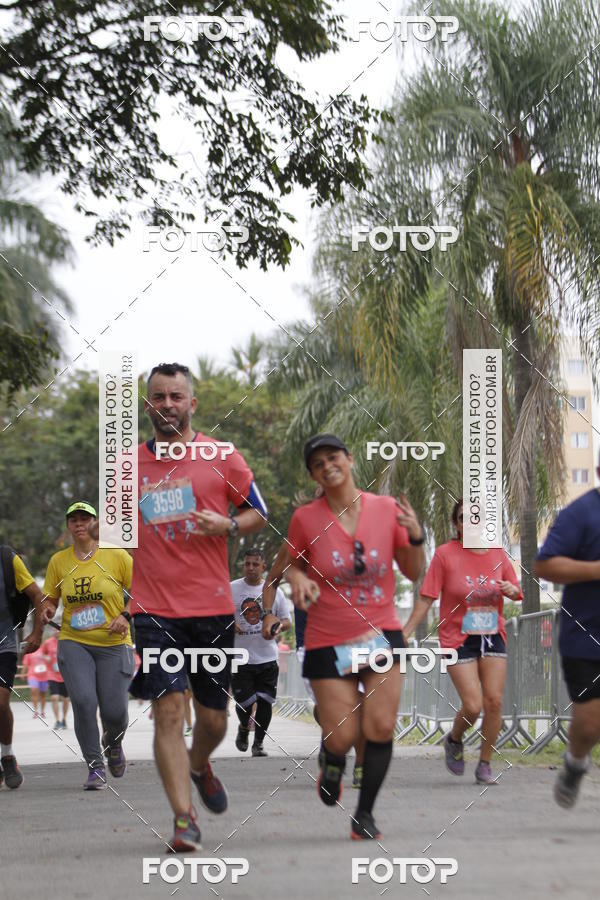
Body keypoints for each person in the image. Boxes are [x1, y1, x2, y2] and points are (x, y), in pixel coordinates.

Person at [128, 362, 267, 852]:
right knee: (167, 712)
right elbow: (116, 539)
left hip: (209, 609)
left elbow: (258, 512)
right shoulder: (125, 467)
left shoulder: (222, 456)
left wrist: (228, 526)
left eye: (176, 397)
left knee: (214, 721)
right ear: (148, 405)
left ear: (192, 404)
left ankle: (198, 762)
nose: (167, 405)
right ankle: (183, 819)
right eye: (159, 397)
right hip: (153, 611)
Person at [277, 433, 425, 841]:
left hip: (380, 633)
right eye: (317, 464)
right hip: (328, 638)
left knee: (380, 726)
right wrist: (299, 581)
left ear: (350, 459)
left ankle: (364, 815)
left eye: (333, 457)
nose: (327, 466)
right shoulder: (305, 518)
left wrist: (415, 537)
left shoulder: (386, 509)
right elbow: (292, 566)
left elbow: (413, 572)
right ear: (313, 475)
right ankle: (332, 757)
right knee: (343, 734)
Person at [404, 498, 522, 784]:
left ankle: (484, 763)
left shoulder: (497, 553)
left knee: (493, 701)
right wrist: (404, 632)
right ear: (456, 524)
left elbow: (517, 591)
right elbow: (427, 597)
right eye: (462, 518)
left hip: (492, 635)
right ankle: (455, 739)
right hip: (457, 637)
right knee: (473, 705)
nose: (470, 522)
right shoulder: (445, 555)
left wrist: (511, 589)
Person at [42, 501, 135, 790]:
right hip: (74, 640)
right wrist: (46, 608)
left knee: (115, 712)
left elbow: (145, 590)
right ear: (68, 526)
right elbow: (51, 598)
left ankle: (114, 742)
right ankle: (95, 767)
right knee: (83, 702)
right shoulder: (59, 561)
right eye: (74, 520)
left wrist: (125, 614)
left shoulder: (117, 555)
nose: (79, 524)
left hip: (114, 643)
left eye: (85, 518)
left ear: (95, 524)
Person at [263, 541, 366, 788]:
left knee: (359, 702)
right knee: (329, 708)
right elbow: (271, 582)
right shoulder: (295, 543)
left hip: (354, 635)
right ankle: (332, 735)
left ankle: (362, 765)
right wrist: (268, 613)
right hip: (313, 639)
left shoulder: (356, 535)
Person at [534, 454, 600, 808]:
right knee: (590, 725)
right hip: (585, 638)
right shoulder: (580, 514)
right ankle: (575, 762)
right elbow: (543, 564)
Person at [231, 547, 292, 757]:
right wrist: (229, 624)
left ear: (264, 567)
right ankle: (243, 728)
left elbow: (287, 621)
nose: (250, 568)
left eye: (255, 564)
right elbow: (217, 616)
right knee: (245, 704)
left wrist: (276, 626)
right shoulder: (231, 589)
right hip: (240, 658)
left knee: (265, 702)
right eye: (247, 563)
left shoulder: (275, 591)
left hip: (267, 656)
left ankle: (258, 743)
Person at [0, 543, 46, 789]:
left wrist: (37, 633)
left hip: (4, 641)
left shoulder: (7, 558)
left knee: (1, 702)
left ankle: (7, 755)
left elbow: (37, 595)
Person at [42, 632, 70, 729]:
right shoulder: (48, 642)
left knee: (66, 699)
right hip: (52, 674)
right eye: (55, 630)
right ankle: (57, 720)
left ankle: (64, 719)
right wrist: (47, 658)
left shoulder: (67, 642)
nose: (57, 632)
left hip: (65, 675)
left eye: (59, 630)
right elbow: (43, 654)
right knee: (54, 697)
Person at [22, 646, 50, 718]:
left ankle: (42, 711)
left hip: (44, 676)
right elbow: (25, 664)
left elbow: (50, 661)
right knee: (34, 691)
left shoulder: (44, 649)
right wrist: (22, 674)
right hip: (33, 675)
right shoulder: (29, 652)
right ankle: (36, 711)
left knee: (43, 694)